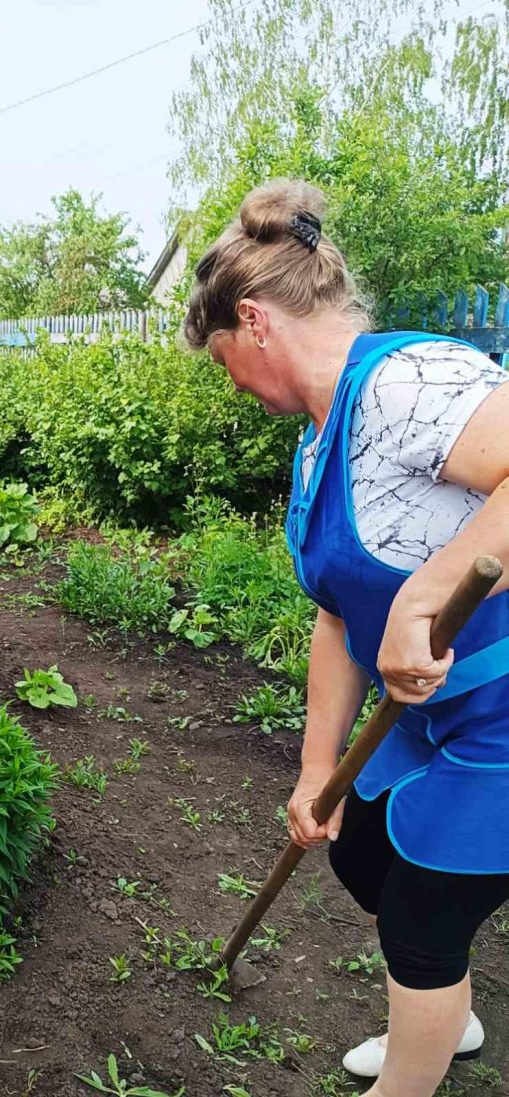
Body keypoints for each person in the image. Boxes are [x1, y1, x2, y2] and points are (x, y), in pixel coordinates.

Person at [184, 179, 509, 1097]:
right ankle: (444, 1011)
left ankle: (408, 1075)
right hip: (428, 714)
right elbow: (338, 612)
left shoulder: (411, 383)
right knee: (366, 854)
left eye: (222, 360)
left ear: (253, 321)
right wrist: (312, 765)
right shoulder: (322, 439)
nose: (232, 386)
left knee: (421, 912)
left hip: (502, 720)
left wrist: (433, 590)